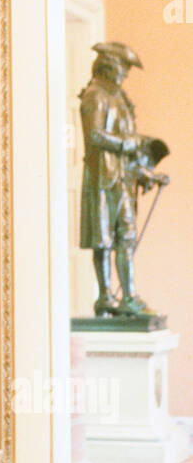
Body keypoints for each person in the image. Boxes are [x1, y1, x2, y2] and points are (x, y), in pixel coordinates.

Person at [79, 41, 169, 318]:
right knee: (104, 240)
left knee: (125, 237)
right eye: (123, 68)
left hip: (121, 180)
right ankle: (106, 296)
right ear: (110, 65)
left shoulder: (119, 99)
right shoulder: (95, 96)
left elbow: (127, 151)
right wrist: (128, 145)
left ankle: (129, 296)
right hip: (102, 179)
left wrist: (145, 173)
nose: (125, 75)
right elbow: (94, 136)